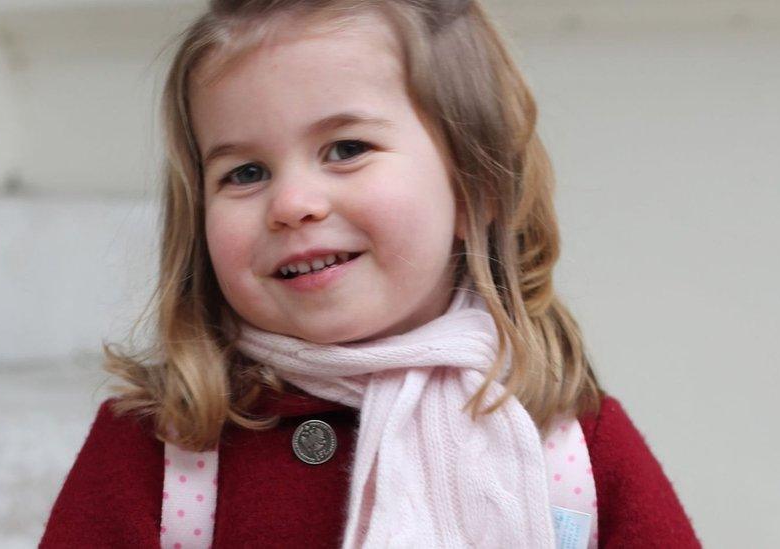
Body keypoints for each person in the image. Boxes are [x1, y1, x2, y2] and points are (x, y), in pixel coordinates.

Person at [40, 1, 701, 547]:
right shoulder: (163, 448)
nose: (294, 203)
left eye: (346, 149)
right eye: (245, 172)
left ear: (475, 189)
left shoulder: (567, 440)